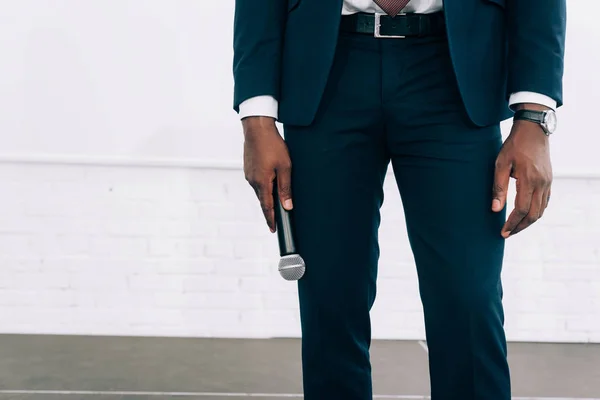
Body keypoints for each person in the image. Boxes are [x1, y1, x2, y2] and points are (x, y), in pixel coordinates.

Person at [232, 0, 566, 398]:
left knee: (468, 295)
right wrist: (256, 117)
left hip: (456, 74)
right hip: (325, 70)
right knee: (329, 296)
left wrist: (534, 115)